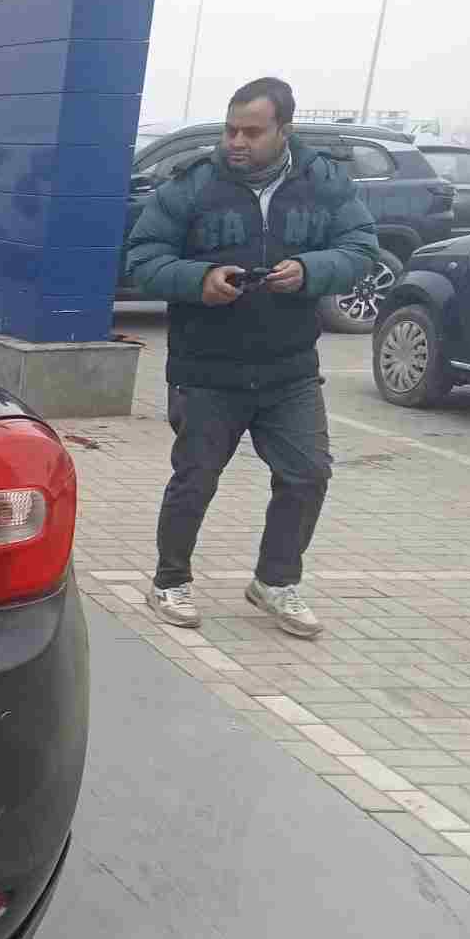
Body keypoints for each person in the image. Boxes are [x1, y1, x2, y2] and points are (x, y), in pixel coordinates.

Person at [124, 76, 377, 639]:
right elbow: (143, 257)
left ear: (284, 129)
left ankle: (275, 582)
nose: (237, 142)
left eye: (252, 132)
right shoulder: (192, 185)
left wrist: (311, 270)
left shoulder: (325, 182)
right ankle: (169, 581)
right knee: (195, 479)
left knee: (307, 475)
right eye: (231, 130)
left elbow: (362, 248)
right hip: (207, 369)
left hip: (290, 371)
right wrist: (200, 280)